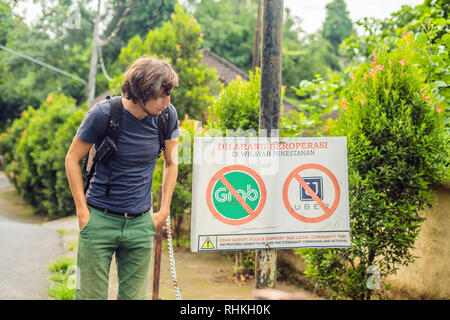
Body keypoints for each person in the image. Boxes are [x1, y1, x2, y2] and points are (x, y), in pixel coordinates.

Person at [65, 56, 179, 300]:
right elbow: (72, 159)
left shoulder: (167, 116)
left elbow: (172, 162)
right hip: (99, 220)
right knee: (89, 297)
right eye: (161, 94)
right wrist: (83, 214)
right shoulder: (103, 114)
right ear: (141, 91)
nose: (167, 101)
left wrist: (164, 210)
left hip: (140, 224)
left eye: (169, 94)